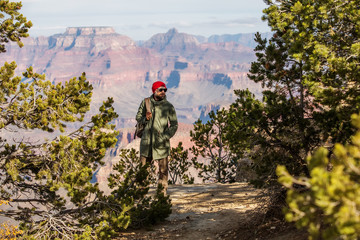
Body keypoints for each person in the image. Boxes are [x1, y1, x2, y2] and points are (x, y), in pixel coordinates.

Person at [135, 81, 178, 195]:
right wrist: (145, 119)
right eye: (160, 90)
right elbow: (138, 118)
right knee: (144, 170)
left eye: (164, 90)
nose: (163, 92)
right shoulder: (146, 103)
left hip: (161, 143)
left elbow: (174, 125)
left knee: (163, 171)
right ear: (154, 91)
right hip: (147, 143)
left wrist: (164, 137)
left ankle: (161, 194)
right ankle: (141, 194)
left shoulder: (169, 106)